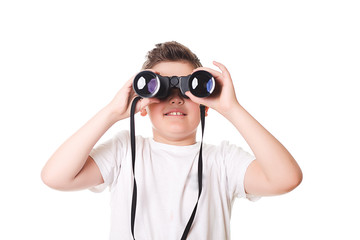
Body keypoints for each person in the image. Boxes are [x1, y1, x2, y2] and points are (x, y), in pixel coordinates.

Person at [41, 41, 302, 239]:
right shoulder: (124, 152)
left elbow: (285, 178)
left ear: (205, 105)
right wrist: (112, 113)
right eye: (162, 90)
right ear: (143, 105)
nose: (176, 98)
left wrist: (232, 108)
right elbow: (56, 176)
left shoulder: (221, 161)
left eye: (189, 90)